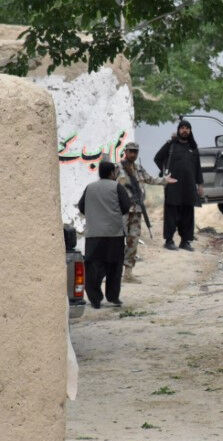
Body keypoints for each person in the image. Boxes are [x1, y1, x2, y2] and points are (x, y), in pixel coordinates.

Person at [117, 141, 176, 282]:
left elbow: (150, 179)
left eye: (135, 152)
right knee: (117, 241)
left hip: (136, 210)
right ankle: (113, 273)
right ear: (125, 152)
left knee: (133, 241)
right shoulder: (117, 168)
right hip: (121, 211)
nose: (133, 154)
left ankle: (128, 273)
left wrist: (164, 180)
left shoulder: (139, 168)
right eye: (131, 151)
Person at [77, 161, 131, 308]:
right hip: (114, 234)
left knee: (93, 267)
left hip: (93, 235)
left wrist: (95, 215)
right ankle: (113, 297)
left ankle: (95, 299)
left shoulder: (90, 187)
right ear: (112, 173)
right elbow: (126, 206)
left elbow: (81, 207)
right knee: (114, 267)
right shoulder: (117, 187)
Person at [153, 120, 203, 252]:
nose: (185, 130)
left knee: (188, 215)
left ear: (190, 131)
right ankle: (169, 241)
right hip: (173, 186)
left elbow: (198, 168)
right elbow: (157, 158)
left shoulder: (193, 147)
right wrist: (165, 173)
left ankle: (185, 242)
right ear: (178, 130)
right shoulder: (171, 145)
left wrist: (200, 185)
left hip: (189, 187)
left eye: (187, 128)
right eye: (182, 128)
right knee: (171, 214)